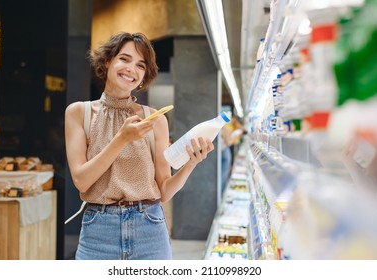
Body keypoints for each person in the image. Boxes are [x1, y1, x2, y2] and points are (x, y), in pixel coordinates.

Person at [64, 32, 214, 260]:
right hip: (99, 232)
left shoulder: (156, 120)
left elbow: (164, 191)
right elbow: (81, 180)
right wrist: (121, 139)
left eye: (140, 65)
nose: (131, 69)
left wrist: (191, 164)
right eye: (124, 59)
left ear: (144, 76)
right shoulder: (79, 113)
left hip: (150, 230)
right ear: (107, 61)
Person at [220, 115, 245, 194]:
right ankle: (221, 192)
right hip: (223, 149)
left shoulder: (233, 127)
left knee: (225, 173)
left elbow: (244, 131)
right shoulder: (228, 125)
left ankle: (222, 190)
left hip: (224, 149)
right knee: (223, 174)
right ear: (234, 119)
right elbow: (228, 142)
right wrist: (236, 136)